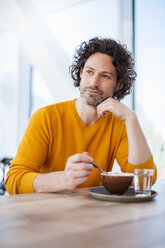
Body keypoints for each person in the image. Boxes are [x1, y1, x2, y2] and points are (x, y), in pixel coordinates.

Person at [5, 37, 157, 194]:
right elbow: (13, 179)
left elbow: (145, 181)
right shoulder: (46, 117)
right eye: (90, 72)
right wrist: (63, 179)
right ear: (80, 73)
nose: (94, 82)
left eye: (105, 76)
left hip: (94, 214)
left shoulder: (120, 124)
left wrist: (132, 119)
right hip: (46, 213)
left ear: (118, 85)